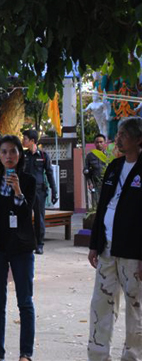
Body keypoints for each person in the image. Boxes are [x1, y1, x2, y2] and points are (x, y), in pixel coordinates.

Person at [87, 117, 142, 361]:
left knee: (135, 307)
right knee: (101, 303)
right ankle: (98, 355)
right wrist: (94, 245)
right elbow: (101, 209)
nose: (117, 139)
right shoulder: (114, 167)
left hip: (133, 253)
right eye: (117, 134)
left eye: (123, 135)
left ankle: (133, 355)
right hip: (107, 249)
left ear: (138, 139)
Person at [0, 135, 37, 361]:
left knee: (25, 301)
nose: (8, 156)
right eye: (4, 152)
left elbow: (26, 214)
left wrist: (18, 191)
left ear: (20, 154)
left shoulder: (29, 181)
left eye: (13, 151)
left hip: (21, 247)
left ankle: (25, 354)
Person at [22, 129, 58, 255]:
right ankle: (26, 243)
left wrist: (54, 191)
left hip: (39, 191)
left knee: (39, 218)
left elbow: (49, 174)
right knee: (23, 217)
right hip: (24, 191)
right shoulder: (22, 155)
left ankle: (39, 244)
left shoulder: (43, 156)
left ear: (32, 141)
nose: (23, 140)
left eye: (25, 138)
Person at [83, 134, 108, 208]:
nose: (99, 144)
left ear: (104, 143)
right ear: (94, 143)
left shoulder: (109, 154)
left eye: (101, 142)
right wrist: (89, 182)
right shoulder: (90, 155)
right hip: (96, 183)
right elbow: (85, 170)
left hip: (108, 183)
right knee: (97, 204)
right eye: (97, 142)